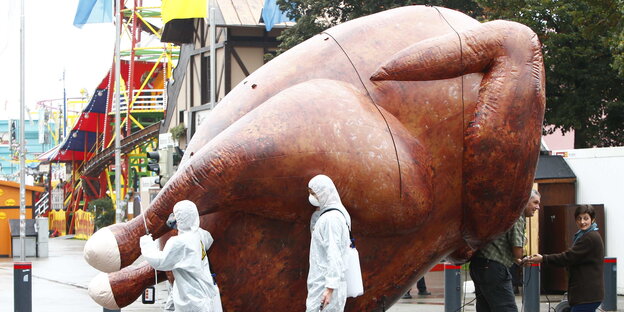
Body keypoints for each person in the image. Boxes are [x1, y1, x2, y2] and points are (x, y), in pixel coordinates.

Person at [469, 189, 541, 312]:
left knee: (485, 308)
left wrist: (519, 261)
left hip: (478, 265)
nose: (538, 207)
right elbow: (517, 252)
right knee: (508, 309)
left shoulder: (503, 212)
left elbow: (501, 245)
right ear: (524, 200)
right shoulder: (517, 216)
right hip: (494, 269)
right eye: (535, 202)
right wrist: (525, 242)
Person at [140, 200, 218, 312]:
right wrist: (182, 227)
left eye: (175, 215)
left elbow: (160, 261)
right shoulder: (200, 234)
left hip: (191, 301)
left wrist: (146, 243)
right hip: (204, 296)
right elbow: (209, 240)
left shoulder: (179, 243)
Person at [526, 205, 604, 312]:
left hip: (587, 295)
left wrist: (543, 258)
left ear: (592, 219)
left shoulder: (589, 237)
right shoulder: (584, 235)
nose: (582, 222)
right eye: (579, 218)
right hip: (587, 295)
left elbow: (568, 257)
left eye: (586, 218)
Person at [306, 174, 352, 312]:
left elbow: (334, 253)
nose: (312, 197)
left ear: (323, 193)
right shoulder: (332, 215)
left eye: (314, 193)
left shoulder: (331, 219)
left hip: (325, 286)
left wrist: (330, 288)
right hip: (323, 284)